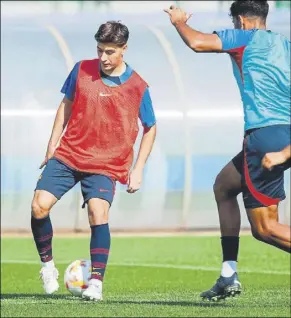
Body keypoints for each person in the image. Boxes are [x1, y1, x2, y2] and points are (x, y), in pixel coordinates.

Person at [164, 0, 290, 301]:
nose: (234, 28)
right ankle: (228, 274)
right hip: (281, 134)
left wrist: (179, 22)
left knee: (265, 229)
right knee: (224, 186)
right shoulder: (285, 45)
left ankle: (229, 274)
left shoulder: (245, 37)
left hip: (264, 137)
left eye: (234, 23)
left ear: (243, 21)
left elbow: (197, 42)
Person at [31, 21, 157, 301]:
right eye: (99, 50)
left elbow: (151, 128)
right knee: (39, 206)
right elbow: (66, 104)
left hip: (107, 164)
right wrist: (52, 145)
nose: (103, 58)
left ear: (124, 49)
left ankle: (96, 282)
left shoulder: (138, 86)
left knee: (98, 214)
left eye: (110, 52)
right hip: (69, 154)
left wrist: (138, 169)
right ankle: (47, 267)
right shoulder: (80, 69)